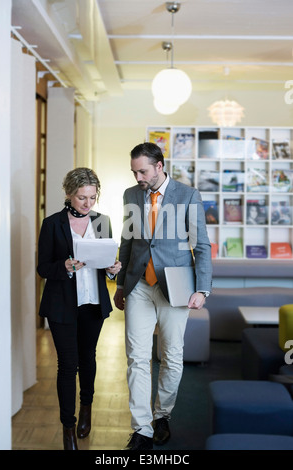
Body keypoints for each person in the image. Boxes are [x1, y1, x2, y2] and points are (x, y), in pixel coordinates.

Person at [114, 143, 212, 450]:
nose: (138, 176)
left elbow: (202, 246)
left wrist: (202, 288)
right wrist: (120, 284)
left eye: (142, 170)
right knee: (137, 358)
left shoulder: (188, 195)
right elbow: (127, 240)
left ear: (159, 166)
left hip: (177, 286)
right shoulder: (131, 195)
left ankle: (162, 415)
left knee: (171, 356)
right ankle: (142, 428)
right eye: (134, 171)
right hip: (140, 285)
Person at [37, 167, 121, 450]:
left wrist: (113, 269)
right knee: (66, 365)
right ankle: (68, 426)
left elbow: (107, 261)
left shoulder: (103, 222)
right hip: (62, 305)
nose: (87, 203)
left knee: (88, 358)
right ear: (69, 195)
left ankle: (87, 407)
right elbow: (42, 267)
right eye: (82, 197)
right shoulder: (52, 224)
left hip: (93, 303)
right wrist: (64, 266)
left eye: (92, 197)